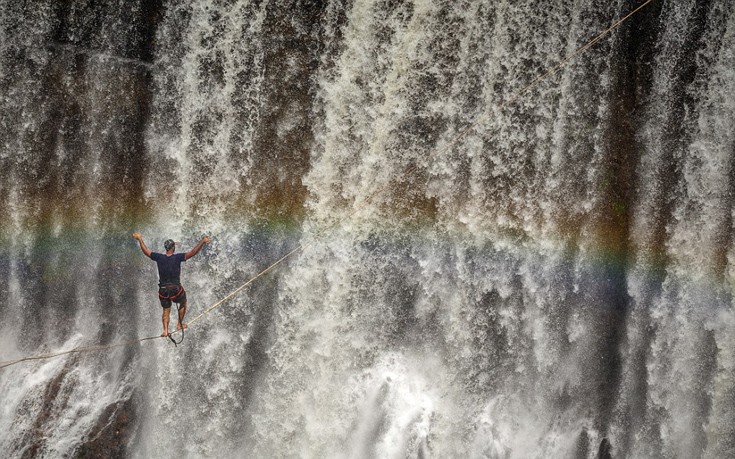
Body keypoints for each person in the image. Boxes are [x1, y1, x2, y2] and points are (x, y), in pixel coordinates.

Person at [132, 232, 211, 337]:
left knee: (166, 309)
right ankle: (179, 324)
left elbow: (146, 251)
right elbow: (193, 252)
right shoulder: (178, 257)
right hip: (175, 289)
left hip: (163, 290)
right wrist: (202, 242)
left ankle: (165, 330)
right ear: (173, 248)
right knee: (183, 303)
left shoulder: (159, 257)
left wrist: (140, 239)